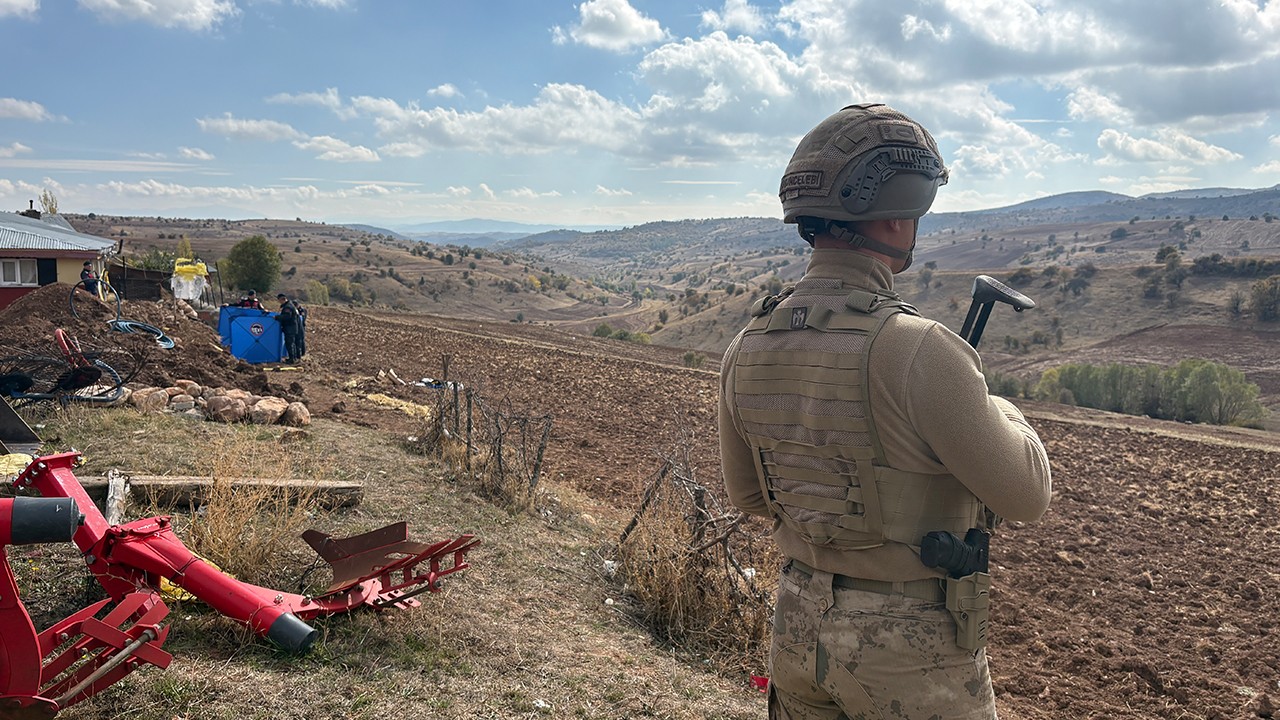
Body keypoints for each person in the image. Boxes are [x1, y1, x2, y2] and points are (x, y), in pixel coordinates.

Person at [718, 103, 1052, 719]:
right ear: (898, 217)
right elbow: (1027, 495)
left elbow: (749, 496)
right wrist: (1003, 409)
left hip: (797, 623)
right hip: (909, 651)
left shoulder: (749, 342)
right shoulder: (919, 349)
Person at [276, 293, 302, 364]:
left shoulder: (288, 307)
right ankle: (292, 358)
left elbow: (287, 316)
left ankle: (292, 359)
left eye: (279, 300)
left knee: (290, 343)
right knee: (291, 343)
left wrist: (277, 317)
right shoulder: (289, 305)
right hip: (291, 328)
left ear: (282, 299)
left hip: (290, 328)